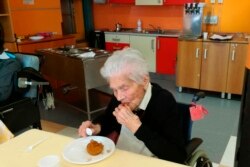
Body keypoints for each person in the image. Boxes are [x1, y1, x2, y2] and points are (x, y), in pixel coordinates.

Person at [78, 48, 187, 163]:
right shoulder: (121, 97)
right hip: (122, 158)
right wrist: (97, 127)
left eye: (124, 88)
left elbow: (178, 155)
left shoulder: (164, 101)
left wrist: (137, 128)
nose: (119, 97)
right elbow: (109, 120)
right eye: (114, 90)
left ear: (144, 80)